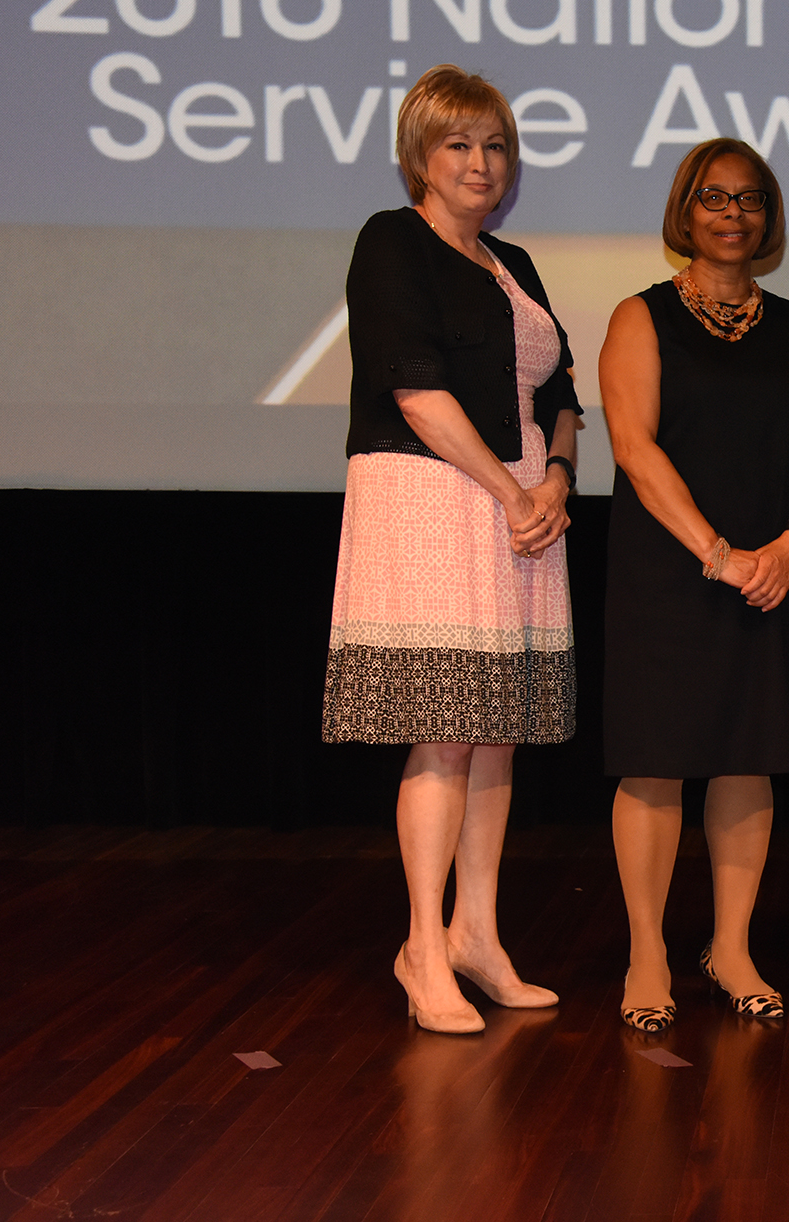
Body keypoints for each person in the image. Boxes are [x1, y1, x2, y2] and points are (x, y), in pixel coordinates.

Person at [322, 65, 581, 1034]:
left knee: (495, 728)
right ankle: (421, 949)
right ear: (419, 157)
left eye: (495, 145)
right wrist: (515, 488)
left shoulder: (511, 264)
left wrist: (552, 479)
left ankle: (479, 935)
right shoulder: (393, 242)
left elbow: (559, 394)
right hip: (435, 496)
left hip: (518, 506)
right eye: (458, 145)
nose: (481, 163)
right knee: (443, 724)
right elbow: (416, 391)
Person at [598, 139, 789, 1032]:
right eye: (713, 199)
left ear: (768, 217)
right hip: (672, 570)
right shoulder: (641, 315)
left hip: (770, 573)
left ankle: (730, 947)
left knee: (748, 756)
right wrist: (718, 552)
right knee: (655, 762)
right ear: (684, 213)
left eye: (749, 200)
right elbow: (634, 447)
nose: (732, 214)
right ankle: (649, 952)